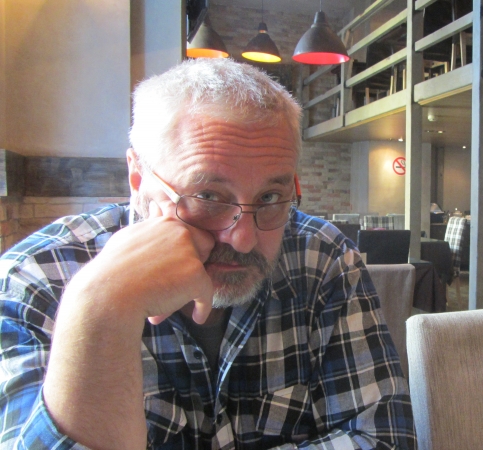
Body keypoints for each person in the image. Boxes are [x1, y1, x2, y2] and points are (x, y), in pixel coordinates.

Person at [0, 59, 416, 449]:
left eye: (270, 197)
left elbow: (382, 438)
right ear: (138, 178)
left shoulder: (323, 260)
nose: (243, 239)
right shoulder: (35, 281)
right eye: (208, 196)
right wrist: (100, 309)